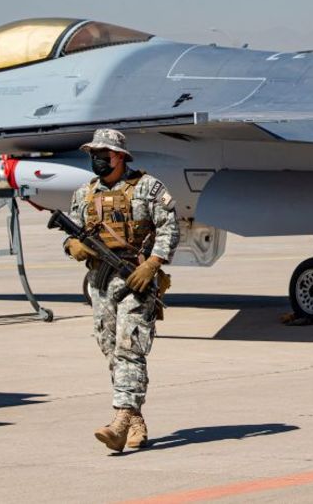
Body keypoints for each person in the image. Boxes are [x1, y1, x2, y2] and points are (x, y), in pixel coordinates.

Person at [63, 128, 179, 452]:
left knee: (131, 349)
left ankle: (120, 420)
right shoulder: (84, 195)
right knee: (111, 348)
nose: (96, 159)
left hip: (136, 281)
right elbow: (71, 234)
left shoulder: (148, 188)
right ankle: (136, 420)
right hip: (101, 283)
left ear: (119, 157)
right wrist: (74, 246)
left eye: (103, 154)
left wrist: (152, 265)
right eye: (93, 154)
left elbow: (170, 227)